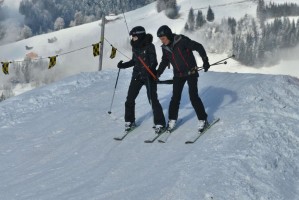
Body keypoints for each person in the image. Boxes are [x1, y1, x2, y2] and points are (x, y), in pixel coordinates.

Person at [156, 25, 210, 133]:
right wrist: (157, 73)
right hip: (178, 74)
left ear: (169, 35)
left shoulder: (182, 41)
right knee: (175, 98)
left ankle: (203, 119)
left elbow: (198, 46)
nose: (162, 41)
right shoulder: (165, 48)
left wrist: (205, 61)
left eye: (163, 38)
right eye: (160, 39)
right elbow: (164, 61)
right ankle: (172, 120)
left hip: (191, 72)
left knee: (193, 97)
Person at [117, 26, 166, 133]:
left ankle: (160, 123)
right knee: (129, 99)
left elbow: (154, 62)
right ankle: (129, 121)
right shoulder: (135, 46)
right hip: (137, 76)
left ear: (139, 35)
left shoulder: (149, 46)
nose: (132, 38)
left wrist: (148, 70)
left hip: (148, 76)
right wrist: (123, 65)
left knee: (153, 100)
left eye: (134, 36)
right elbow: (134, 61)